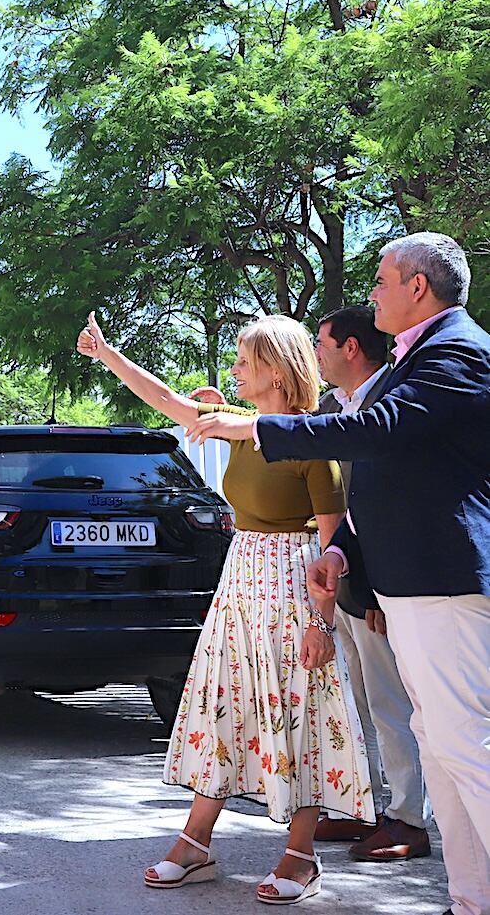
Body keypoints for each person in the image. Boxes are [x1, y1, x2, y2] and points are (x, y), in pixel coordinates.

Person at [193, 233, 490, 915]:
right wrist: (344, 551)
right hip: (414, 582)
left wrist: (253, 429)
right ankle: (472, 899)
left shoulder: (457, 352)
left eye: (382, 280)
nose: (373, 292)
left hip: (443, 583)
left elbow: (376, 432)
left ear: (419, 287)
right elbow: (393, 478)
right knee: (442, 748)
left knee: (467, 745)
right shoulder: (421, 356)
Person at [79, 310, 371, 904]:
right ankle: (195, 844)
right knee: (222, 708)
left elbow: (332, 544)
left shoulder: (314, 442)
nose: (234, 371)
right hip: (240, 585)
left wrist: (321, 623)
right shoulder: (241, 428)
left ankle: (301, 855)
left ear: (276, 371)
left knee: (301, 716)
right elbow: (168, 402)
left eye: (245, 361)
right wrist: (107, 355)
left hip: (293, 589)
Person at [310, 306, 431, 862]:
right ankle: (364, 810)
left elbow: (395, 507)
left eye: (322, 344)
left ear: (351, 348)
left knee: (389, 704)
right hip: (343, 580)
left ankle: (409, 819)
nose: (317, 355)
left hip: (381, 588)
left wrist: (381, 590)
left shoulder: (393, 401)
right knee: (356, 703)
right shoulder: (336, 406)